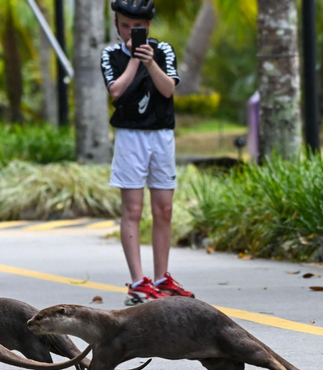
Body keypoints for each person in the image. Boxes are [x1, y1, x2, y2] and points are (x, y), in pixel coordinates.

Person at [101, 0, 195, 305]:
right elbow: (116, 91)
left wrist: (150, 61)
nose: (131, 32)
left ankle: (161, 278)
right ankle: (139, 283)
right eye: (125, 25)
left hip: (162, 135)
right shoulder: (111, 55)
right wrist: (133, 61)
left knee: (164, 209)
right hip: (129, 137)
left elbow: (168, 89)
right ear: (116, 24)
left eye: (137, 27)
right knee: (132, 209)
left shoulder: (163, 51)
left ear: (148, 27)